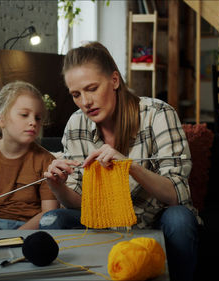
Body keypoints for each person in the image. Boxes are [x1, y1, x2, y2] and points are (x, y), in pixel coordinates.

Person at [39, 42, 199, 281]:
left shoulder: (157, 113)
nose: (85, 101)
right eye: (76, 94)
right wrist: (57, 186)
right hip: (102, 222)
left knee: (180, 218)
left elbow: (177, 195)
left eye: (91, 88)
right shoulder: (76, 124)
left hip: (153, 220)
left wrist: (130, 166)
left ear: (114, 80)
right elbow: (77, 204)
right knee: (52, 219)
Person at [0, 81, 59, 230]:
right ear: (1, 120)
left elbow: (49, 211)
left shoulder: (47, 161)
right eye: (24, 115)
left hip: (31, 230)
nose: (32, 122)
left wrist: (16, 238)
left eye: (38, 118)